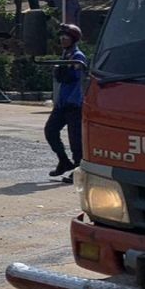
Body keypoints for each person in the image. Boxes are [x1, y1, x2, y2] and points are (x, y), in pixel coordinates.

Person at [45, 23, 87, 182]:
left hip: (74, 104)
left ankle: (78, 170)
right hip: (63, 103)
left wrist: (62, 69)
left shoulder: (78, 56)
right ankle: (64, 161)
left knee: (76, 140)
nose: (62, 39)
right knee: (50, 131)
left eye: (66, 36)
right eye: (61, 36)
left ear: (73, 38)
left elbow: (72, 76)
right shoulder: (65, 55)